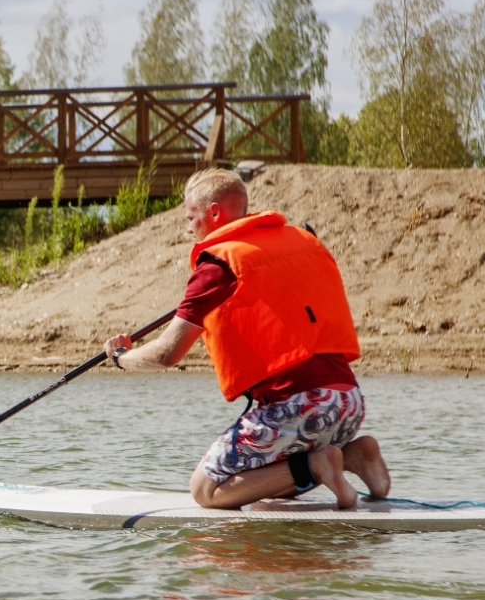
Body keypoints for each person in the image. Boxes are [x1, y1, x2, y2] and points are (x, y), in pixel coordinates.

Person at [103, 167, 391, 510]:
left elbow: (167, 354)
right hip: (348, 403)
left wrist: (121, 357)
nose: (187, 226)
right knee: (265, 482)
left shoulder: (217, 268)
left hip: (298, 407)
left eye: (190, 216)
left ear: (213, 213)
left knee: (207, 491)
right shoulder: (296, 241)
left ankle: (319, 463)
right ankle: (356, 455)